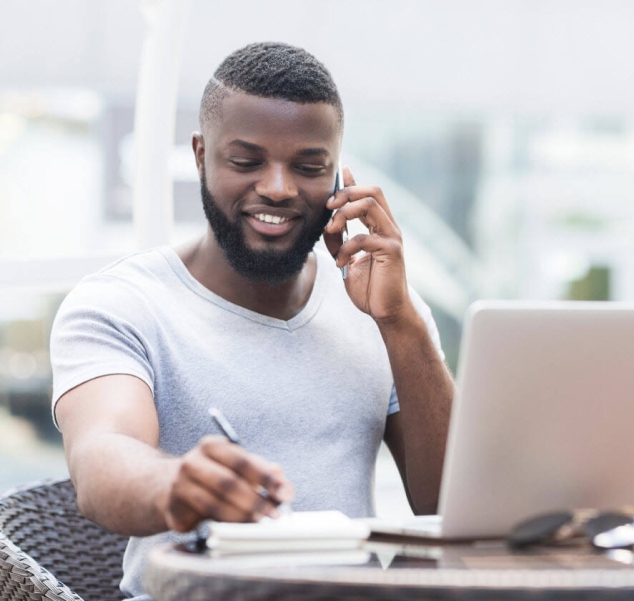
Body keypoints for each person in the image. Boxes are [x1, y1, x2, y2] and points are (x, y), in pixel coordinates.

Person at [50, 42, 454, 600]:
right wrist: (177, 483)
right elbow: (101, 461)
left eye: (310, 167)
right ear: (199, 155)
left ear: (340, 175)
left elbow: (450, 508)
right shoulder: (123, 304)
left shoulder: (384, 308)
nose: (279, 188)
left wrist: (401, 321)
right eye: (246, 161)